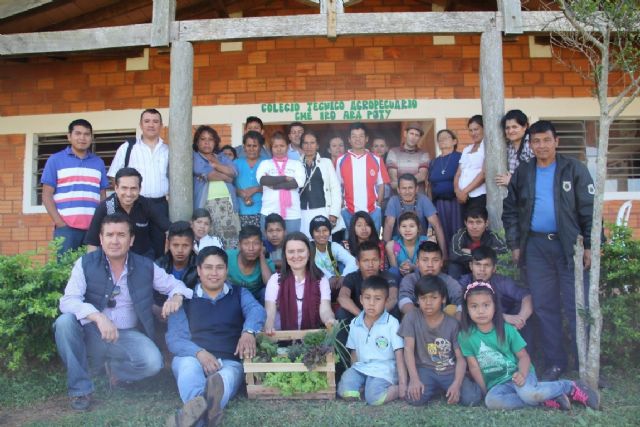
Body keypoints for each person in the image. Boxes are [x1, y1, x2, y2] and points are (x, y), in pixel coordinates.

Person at [54, 213, 193, 411]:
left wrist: (176, 296)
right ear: (101, 239)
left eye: (121, 235)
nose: (115, 240)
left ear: (131, 240)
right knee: (64, 322)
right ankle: (81, 389)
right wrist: (98, 317)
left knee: (154, 363)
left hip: (126, 335)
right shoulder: (85, 263)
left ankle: (116, 372)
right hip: (93, 333)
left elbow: (177, 285)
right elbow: (68, 301)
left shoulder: (145, 265)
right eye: (109, 235)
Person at [502, 120, 594, 381]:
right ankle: (556, 363)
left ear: (557, 142)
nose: (541, 145)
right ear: (531, 145)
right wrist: (516, 244)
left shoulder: (574, 169)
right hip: (536, 247)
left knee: (577, 305)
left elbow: (589, 210)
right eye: (536, 141)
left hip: (569, 247)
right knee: (544, 307)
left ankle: (585, 364)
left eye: (546, 140)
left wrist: (589, 245)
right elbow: (509, 210)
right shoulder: (523, 172)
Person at [458, 281, 599, 411]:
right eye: (474, 306)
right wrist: (485, 391)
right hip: (498, 384)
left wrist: (522, 374)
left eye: (486, 305)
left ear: (495, 306)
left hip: (520, 374)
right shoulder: (465, 336)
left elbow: (524, 357)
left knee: (529, 393)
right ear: (467, 309)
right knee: (492, 402)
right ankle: (547, 399)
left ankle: (571, 387)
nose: (481, 311)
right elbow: (474, 367)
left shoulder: (507, 329)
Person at [166, 246, 266, 426]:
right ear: (199, 270)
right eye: (208, 267)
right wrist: (200, 353)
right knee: (188, 368)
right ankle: (208, 411)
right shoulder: (184, 298)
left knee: (224, 378)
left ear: (226, 270)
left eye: (219, 267)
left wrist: (248, 331)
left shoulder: (239, 293)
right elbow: (175, 339)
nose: (214, 273)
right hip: (192, 358)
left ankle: (192, 416)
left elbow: (256, 310)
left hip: (228, 361)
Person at [399, 276, 482, 406]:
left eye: (433, 298)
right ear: (417, 300)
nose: (428, 303)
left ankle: (461, 382)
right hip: (425, 369)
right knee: (414, 398)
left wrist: (456, 384)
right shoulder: (411, 318)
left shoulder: (453, 324)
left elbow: (460, 358)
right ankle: (435, 388)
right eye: (423, 298)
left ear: (443, 298)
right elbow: (408, 350)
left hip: (450, 370)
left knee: (471, 398)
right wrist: (414, 379)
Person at [41, 119, 109, 256]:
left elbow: (102, 196)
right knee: (65, 272)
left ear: (91, 137)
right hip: (66, 229)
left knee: (92, 271)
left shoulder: (98, 162)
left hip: (93, 229)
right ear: (69, 136)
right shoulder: (55, 160)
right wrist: (60, 223)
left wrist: (100, 223)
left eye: (86, 134)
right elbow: (46, 195)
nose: (82, 138)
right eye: (78, 133)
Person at [108, 109, 168, 259]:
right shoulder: (128, 148)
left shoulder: (168, 150)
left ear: (161, 125)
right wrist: (124, 200)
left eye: (155, 121)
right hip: (134, 204)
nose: (151, 125)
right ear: (141, 125)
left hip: (159, 205)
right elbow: (114, 176)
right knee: (133, 246)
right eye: (147, 121)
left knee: (159, 246)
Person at [337, 275, 407, 405]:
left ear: (386, 301)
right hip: (361, 367)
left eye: (378, 299)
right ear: (361, 299)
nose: (371, 303)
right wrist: (353, 374)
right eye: (367, 298)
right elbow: (354, 354)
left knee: (374, 398)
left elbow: (399, 355)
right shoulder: (355, 323)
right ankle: (365, 385)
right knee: (346, 391)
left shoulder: (391, 323)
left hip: (384, 370)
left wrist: (402, 384)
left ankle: (394, 389)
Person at [85, 167, 170, 259]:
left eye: (133, 188)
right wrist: (92, 266)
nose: (128, 193)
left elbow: (168, 228)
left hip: (143, 259)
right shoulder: (106, 208)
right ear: (116, 188)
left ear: (140, 189)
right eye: (124, 188)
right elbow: (92, 243)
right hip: (112, 261)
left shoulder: (146, 204)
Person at [458, 246, 533, 345]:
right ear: (471, 266)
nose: (482, 270)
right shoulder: (464, 283)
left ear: (494, 268)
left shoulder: (501, 281)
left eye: (487, 265)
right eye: (478, 264)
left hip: (505, 326)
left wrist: (521, 319)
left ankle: (523, 354)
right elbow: (459, 310)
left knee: (523, 309)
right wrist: (502, 317)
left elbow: (527, 296)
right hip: (478, 324)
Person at [264, 232, 336, 332]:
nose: (296, 256)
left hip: (311, 339)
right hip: (280, 337)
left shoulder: (320, 279)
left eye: (301, 251)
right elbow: (270, 311)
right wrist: (268, 325)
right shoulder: (275, 280)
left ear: (309, 253)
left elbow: (325, 309)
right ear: (285, 254)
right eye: (291, 252)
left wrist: (330, 320)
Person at [192, 125, 240, 249]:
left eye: (210, 139)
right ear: (197, 142)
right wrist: (226, 177)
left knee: (231, 244)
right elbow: (208, 173)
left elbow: (234, 172)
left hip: (228, 206)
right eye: (203, 139)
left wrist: (216, 165)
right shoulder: (195, 156)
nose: (207, 142)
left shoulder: (222, 157)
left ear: (215, 142)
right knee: (209, 244)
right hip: (206, 205)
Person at [336, 122, 389, 233]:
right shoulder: (341, 160)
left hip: (372, 210)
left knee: (373, 244)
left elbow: (381, 184)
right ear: (349, 140)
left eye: (361, 136)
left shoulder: (376, 159)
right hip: (348, 210)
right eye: (354, 136)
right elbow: (338, 186)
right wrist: (341, 205)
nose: (357, 139)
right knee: (350, 244)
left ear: (366, 139)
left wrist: (378, 205)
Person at [383, 173, 447, 257]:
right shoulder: (393, 201)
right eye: (404, 188)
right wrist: (384, 256)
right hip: (399, 247)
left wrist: (444, 255)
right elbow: (389, 225)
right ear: (398, 190)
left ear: (416, 189)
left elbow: (437, 225)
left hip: (420, 246)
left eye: (410, 188)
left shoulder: (423, 199)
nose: (407, 192)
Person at [337, 241, 398, 326]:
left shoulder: (388, 277)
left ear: (380, 261)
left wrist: (376, 316)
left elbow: (393, 298)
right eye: (366, 261)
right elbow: (342, 297)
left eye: (374, 260)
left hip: (382, 316)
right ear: (357, 263)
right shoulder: (351, 277)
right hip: (358, 317)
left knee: (395, 309)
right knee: (342, 312)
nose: (370, 265)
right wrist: (362, 317)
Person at [299, 130, 345, 240]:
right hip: (302, 213)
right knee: (306, 245)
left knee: (324, 243)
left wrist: (334, 213)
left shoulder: (326, 163)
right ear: (301, 146)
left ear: (317, 145)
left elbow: (335, 189)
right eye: (305, 143)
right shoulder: (296, 164)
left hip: (323, 210)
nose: (309, 146)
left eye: (312, 143)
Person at [257, 131, 305, 233]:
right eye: (275, 146)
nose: (279, 149)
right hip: (269, 211)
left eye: (282, 146)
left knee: (292, 243)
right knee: (270, 245)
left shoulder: (296, 164)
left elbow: (297, 183)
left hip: (292, 213)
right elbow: (263, 180)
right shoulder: (265, 164)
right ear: (271, 148)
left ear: (287, 147)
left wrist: (274, 185)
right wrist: (284, 178)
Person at [398, 241, 462, 316]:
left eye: (435, 260)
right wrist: (421, 320)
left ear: (441, 262)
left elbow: (461, 300)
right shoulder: (410, 279)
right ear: (417, 263)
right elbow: (404, 301)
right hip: (416, 323)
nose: (430, 265)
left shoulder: (448, 281)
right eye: (425, 260)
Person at [154, 221, 199, 326]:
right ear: (168, 244)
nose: (180, 250)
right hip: (161, 320)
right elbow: (147, 296)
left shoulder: (201, 267)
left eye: (185, 245)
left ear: (192, 245)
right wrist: (156, 309)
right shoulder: (158, 265)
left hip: (191, 321)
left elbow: (202, 297)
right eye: (175, 245)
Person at [428, 129, 463, 255]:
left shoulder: (461, 157)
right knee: (442, 234)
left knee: (458, 232)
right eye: (440, 138)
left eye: (446, 137)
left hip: (456, 203)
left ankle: (459, 261)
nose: (442, 140)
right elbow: (430, 185)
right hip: (439, 204)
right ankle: (445, 261)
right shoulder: (434, 162)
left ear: (454, 141)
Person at [449, 206, 507, 279]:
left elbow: (503, 252)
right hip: (465, 269)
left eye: (478, 222)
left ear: (486, 223)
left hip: (485, 270)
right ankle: (457, 289)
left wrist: (472, 252)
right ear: (465, 223)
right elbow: (454, 255)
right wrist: (484, 255)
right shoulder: (460, 236)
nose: (474, 226)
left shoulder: (492, 236)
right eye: (471, 222)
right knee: (453, 266)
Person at [309, 215, 358, 298]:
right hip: (316, 284)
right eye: (317, 231)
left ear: (330, 232)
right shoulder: (308, 248)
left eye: (325, 230)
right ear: (312, 234)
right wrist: (329, 276)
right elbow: (313, 266)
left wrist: (344, 276)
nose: (321, 234)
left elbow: (353, 261)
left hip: (335, 284)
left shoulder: (333, 246)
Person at [226, 225, 275, 304]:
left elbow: (270, 285)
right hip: (234, 298)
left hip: (257, 300)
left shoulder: (267, 263)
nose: (251, 248)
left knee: (266, 292)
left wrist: (262, 255)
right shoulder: (228, 257)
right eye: (246, 243)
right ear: (239, 245)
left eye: (256, 243)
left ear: (261, 245)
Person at [454, 115, 486, 218]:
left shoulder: (487, 147)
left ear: (484, 128)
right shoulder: (467, 149)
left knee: (476, 226)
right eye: (471, 130)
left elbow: (484, 174)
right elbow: (458, 173)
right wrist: (457, 191)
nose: (473, 133)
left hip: (479, 195)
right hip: (462, 198)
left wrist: (465, 191)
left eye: (476, 129)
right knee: (466, 227)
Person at [386, 122, 430, 194]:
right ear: (405, 134)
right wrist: (408, 186)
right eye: (411, 134)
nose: (413, 137)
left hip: (418, 196)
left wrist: (403, 186)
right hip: (398, 197)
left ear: (419, 138)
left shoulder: (424, 154)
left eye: (417, 135)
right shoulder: (393, 152)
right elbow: (393, 179)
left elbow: (422, 176)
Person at [234, 131, 265, 229]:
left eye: (255, 146)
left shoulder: (267, 163)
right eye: (248, 145)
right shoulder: (235, 163)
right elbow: (229, 185)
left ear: (260, 147)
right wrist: (241, 193)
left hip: (262, 210)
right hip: (240, 210)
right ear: (244, 147)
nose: (251, 149)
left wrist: (256, 189)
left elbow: (274, 187)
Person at [495, 110, 534, 187]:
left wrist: (512, 181)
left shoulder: (531, 144)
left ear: (525, 127)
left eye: (514, 127)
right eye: (507, 128)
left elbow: (537, 174)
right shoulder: (507, 146)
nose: (510, 131)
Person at [386, 211, 429, 278]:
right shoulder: (391, 246)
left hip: (422, 278)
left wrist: (414, 267)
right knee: (392, 271)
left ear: (418, 228)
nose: (407, 230)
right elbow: (394, 270)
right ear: (399, 229)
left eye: (412, 226)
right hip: (400, 279)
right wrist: (401, 269)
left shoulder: (426, 242)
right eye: (404, 226)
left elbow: (428, 268)